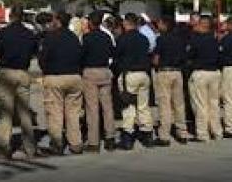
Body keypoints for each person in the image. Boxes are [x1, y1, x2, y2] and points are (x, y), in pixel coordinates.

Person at [0, 6, 39, 159]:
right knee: (24, 112)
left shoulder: (3, 33)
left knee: (6, 113)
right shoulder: (29, 34)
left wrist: (2, 64)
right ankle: (29, 147)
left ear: (11, 16)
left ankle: (4, 147)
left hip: (7, 72)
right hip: (23, 73)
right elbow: (34, 53)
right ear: (23, 17)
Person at [37, 11, 83, 155]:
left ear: (57, 20)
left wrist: (45, 69)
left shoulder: (51, 37)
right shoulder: (74, 38)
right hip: (74, 77)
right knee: (73, 113)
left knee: (55, 112)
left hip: (55, 77)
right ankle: (76, 143)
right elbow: (80, 55)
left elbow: (43, 58)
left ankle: (57, 144)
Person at [115, 13, 153, 150]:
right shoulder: (144, 38)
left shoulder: (123, 39)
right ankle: (147, 133)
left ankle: (127, 136)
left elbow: (117, 56)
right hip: (143, 73)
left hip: (129, 74)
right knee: (143, 105)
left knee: (128, 106)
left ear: (126, 23)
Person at [80, 11, 116, 153]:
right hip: (105, 71)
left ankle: (94, 142)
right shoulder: (106, 37)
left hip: (91, 72)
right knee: (107, 107)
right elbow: (112, 52)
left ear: (90, 23)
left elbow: (82, 55)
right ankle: (110, 138)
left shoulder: (87, 37)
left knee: (92, 108)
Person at [152, 15, 190, 146]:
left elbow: (156, 59)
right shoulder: (180, 40)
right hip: (177, 72)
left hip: (164, 71)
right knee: (179, 104)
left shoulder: (161, 39)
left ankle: (164, 135)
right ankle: (182, 132)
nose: (158, 26)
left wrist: (155, 64)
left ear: (165, 25)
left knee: (164, 104)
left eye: (160, 23)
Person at [188, 15, 222, 142]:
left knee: (200, 104)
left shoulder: (196, 40)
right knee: (214, 104)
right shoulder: (215, 40)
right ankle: (217, 131)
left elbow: (190, 55)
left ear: (202, 24)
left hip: (201, 73)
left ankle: (202, 133)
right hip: (214, 73)